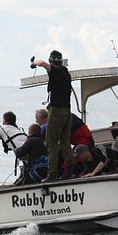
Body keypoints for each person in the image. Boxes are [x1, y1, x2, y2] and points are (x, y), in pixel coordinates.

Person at [31, 50, 73, 180]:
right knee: (65, 142)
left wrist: (34, 62)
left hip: (57, 112)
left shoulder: (56, 71)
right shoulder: (66, 72)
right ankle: (70, 171)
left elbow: (42, 63)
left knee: (51, 144)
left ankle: (52, 174)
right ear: (61, 61)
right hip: (67, 112)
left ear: (51, 62)